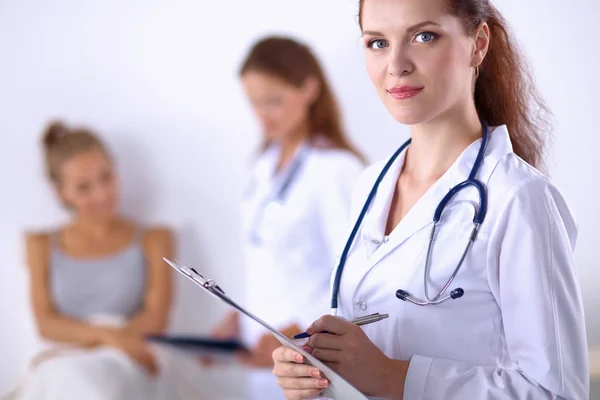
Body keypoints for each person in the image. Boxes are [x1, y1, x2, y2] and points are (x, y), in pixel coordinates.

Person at [271, 0, 589, 399]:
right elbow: (365, 343)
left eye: (424, 36)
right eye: (377, 43)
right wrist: (317, 372)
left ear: (478, 44)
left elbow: (556, 392)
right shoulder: (371, 185)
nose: (396, 64)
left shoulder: (520, 199)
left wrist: (395, 378)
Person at [202, 36, 366, 399]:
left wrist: (296, 330)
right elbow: (267, 263)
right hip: (264, 359)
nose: (263, 115)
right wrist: (238, 323)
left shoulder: (337, 169)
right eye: (254, 103)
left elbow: (357, 276)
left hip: (310, 360)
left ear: (309, 88)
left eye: (273, 101)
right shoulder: (262, 167)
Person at [17, 121, 177, 400]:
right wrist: (107, 336)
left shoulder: (155, 239)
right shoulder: (40, 244)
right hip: (62, 357)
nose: (102, 194)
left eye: (106, 177)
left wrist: (106, 341)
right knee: (59, 376)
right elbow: (45, 323)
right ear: (61, 192)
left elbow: (156, 318)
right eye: (84, 187)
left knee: (80, 383)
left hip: (128, 360)